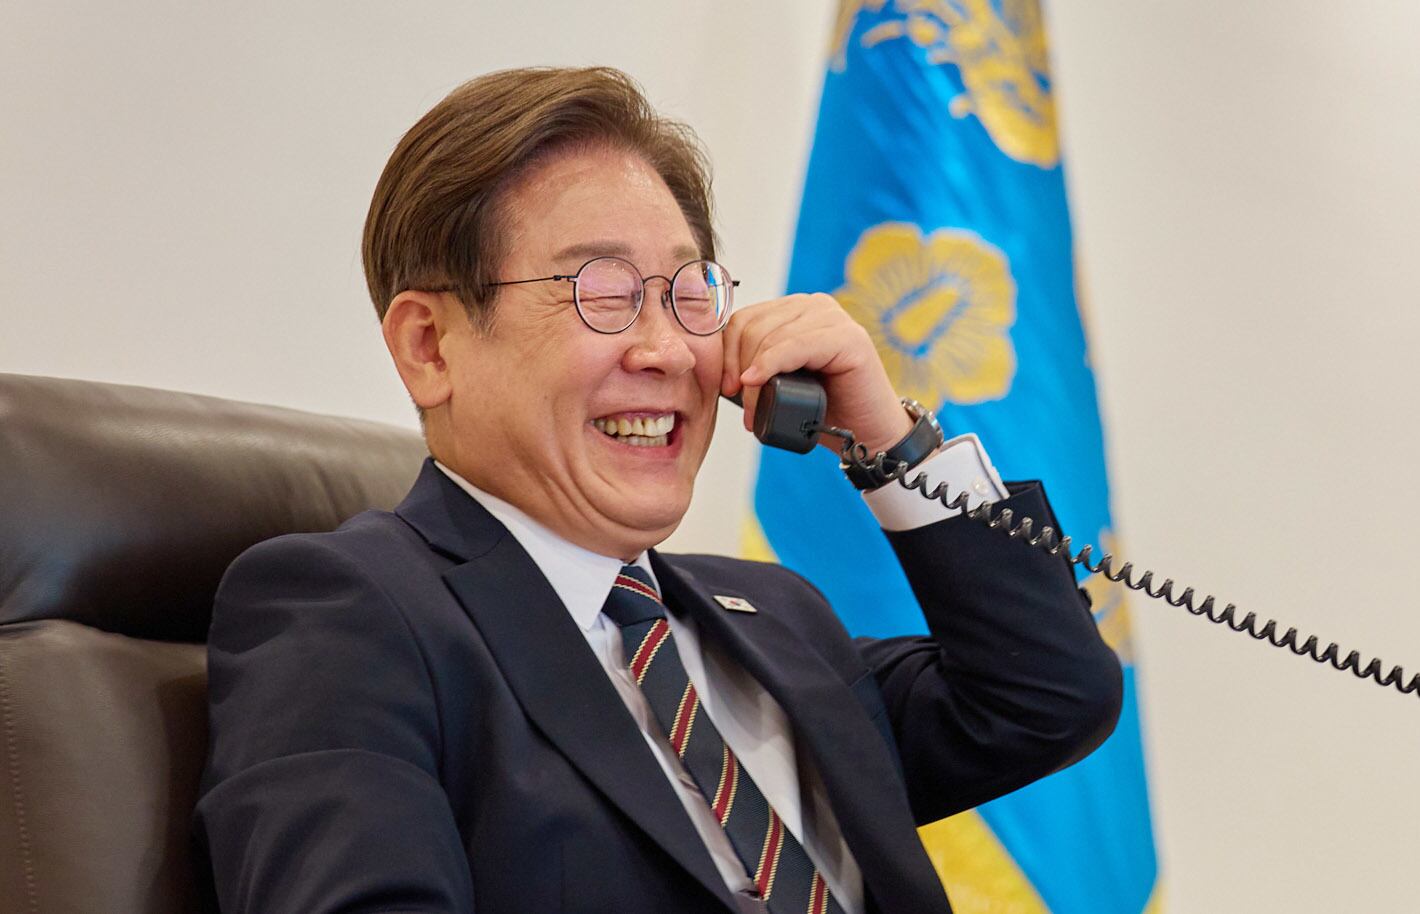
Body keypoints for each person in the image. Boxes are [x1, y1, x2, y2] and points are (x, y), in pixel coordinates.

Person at [194, 67, 1122, 914]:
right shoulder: (348, 612)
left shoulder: (774, 615)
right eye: (603, 293)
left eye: (689, 293)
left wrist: (890, 439)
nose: (669, 350)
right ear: (430, 347)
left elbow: (1049, 696)